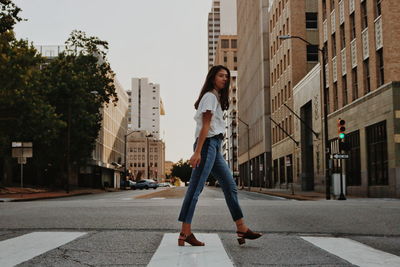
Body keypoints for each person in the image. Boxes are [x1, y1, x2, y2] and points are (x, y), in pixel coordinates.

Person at [177, 65, 262, 246]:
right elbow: (205, 127)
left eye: (227, 76)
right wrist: (197, 152)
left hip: (214, 145)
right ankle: (185, 232)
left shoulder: (214, 98)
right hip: (207, 145)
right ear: (212, 77)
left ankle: (241, 227)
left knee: (230, 186)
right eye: (221, 75)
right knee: (195, 189)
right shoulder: (209, 96)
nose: (225, 79)